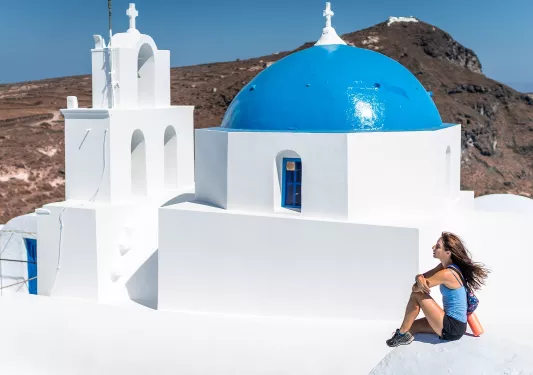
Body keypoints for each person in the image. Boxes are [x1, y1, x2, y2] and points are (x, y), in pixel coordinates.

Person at [386, 232, 490, 347]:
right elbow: (422, 277)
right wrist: (419, 278)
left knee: (417, 295)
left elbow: (415, 289)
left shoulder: (447, 274)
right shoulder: (446, 267)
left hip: (452, 327)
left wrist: (419, 281)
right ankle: (403, 333)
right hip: (454, 323)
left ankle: (401, 335)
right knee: (411, 327)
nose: (433, 247)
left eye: (437, 246)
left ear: (447, 252)